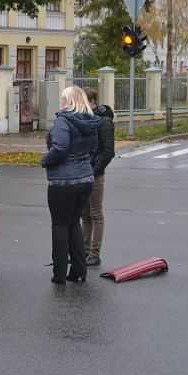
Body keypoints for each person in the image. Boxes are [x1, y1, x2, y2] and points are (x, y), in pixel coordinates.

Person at [41, 86, 100, 284]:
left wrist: (45, 160)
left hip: (63, 182)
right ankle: (78, 270)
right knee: (74, 223)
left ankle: (59, 275)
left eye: (63, 99)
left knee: (59, 225)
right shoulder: (90, 121)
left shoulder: (63, 120)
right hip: (85, 180)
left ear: (69, 101)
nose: (61, 102)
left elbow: (60, 148)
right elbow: (94, 149)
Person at [81, 88, 115, 267]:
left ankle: (94, 253)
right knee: (84, 214)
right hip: (83, 172)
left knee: (95, 214)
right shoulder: (86, 120)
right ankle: (84, 251)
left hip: (95, 174)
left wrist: (95, 170)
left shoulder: (104, 122)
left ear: (93, 101)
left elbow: (108, 151)